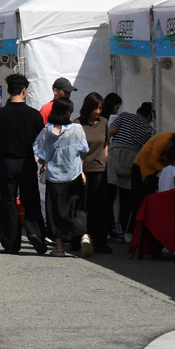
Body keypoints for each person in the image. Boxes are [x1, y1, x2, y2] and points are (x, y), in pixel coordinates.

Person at [0, 74, 48, 255]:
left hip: (6, 162)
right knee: (31, 200)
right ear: (24, 91)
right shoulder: (34, 115)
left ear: (8, 90)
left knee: (7, 201)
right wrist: (43, 161)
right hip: (27, 161)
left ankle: (11, 243)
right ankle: (35, 232)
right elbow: (42, 143)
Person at [33, 98, 90, 257]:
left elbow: (39, 152)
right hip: (74, 174)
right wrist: (82, 170)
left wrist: (45, 161)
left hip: (54, 177)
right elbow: (84, 149)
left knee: (55, 211)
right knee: (76, 208)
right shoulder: (77, 129)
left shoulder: (47, 131)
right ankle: (84, 236)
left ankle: (59, 248)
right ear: (68, 112)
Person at [109, 101, 154, 240]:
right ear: (150, 116)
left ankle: (108, 228)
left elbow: (111, 131)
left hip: (115, 157)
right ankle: (126, 231)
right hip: (133, 161)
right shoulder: (149, 129)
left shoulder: (124, 116)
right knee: (126, 197)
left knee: (109, 195)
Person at [78, 92, 113, 254]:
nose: (97, 112)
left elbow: (106, 143)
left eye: (100, 108)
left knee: (99, 208)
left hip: (100, 169)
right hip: (82, 170)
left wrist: (104, 160)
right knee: (81, 206)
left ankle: (100, 241)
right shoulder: (78, 124)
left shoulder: (104, 122)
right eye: (95, 108)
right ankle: (79, 238)